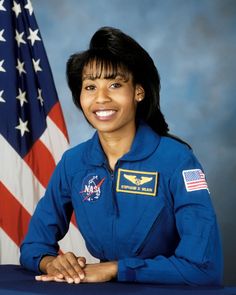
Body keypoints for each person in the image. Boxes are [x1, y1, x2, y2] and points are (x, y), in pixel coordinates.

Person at [20, 26, 223, 285]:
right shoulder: (74, 163)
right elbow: (32, 247)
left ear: (138, 91)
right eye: (90, 87)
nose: (101, 98)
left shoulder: (178, 161)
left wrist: (118, 269)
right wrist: (52, 262)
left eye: (115, 84)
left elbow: (205, 267)